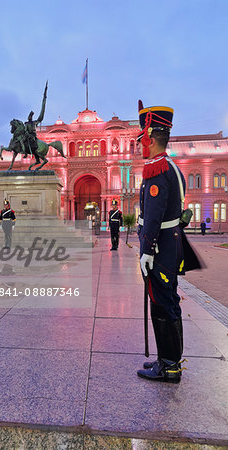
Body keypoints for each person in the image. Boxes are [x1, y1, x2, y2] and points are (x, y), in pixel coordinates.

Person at [136, 101, 186, 383]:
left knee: (163, 303)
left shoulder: (156, 168)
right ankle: (169, 360)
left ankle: (168, 366)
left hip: (160, 248)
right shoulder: (171, 167)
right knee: (169, 301)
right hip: (171, 244)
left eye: (143, 137)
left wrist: (146, 250)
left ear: (152, 138)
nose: (142, 143)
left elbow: (153, 217)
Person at [24, 81, 48, 158]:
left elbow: (41, 116)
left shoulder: (34, 123)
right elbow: (24, 131)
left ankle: (27, 154)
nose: (29, 117)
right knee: (22, 141)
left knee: (27, 141)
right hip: (28, 136)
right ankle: (25, 153)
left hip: (32, 137)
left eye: (30, 116)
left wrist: (44, 102)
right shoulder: (26, 124)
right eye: (29, 116)